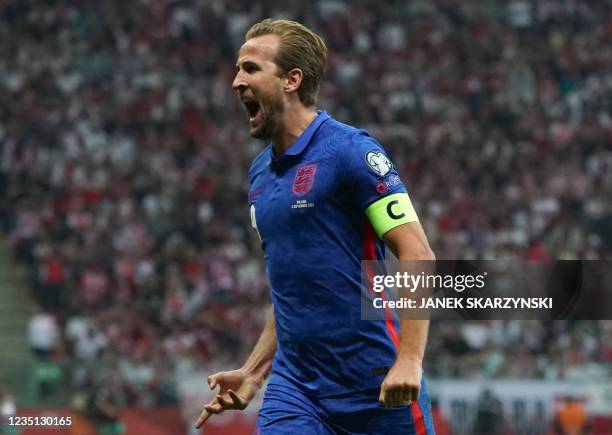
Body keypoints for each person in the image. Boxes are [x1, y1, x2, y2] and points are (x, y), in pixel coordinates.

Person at [195, 18, 436, 434]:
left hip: (376, 384)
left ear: (291, 79)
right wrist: (255, 371)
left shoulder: (351, 153)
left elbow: (418, 253)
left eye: (250, 68)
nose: (236, 81)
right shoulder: (259, 175)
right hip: (297, 390)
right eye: (237, 69)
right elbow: (291, 288)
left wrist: (410, 360)